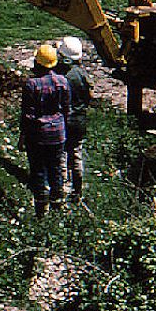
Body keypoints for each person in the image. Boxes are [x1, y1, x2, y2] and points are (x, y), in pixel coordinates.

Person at [20, 43, 71, 219]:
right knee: (56, 170)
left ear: (38, 63)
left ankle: (41, 212)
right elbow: (66, 109)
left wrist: (23, 136)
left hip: (38, 135)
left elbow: (27, 115)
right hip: (58, 134)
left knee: (39, 172)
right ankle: (58, 210)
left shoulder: (31, 85)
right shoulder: (63, 82)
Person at [56, 36, 93, 206]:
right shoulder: (82, 75)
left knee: (62, 156)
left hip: (65, 121)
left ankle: (62, 193)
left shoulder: (62, 77)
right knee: (76, 155)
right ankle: (78, 192)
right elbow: (88, 98)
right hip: (80, 121)